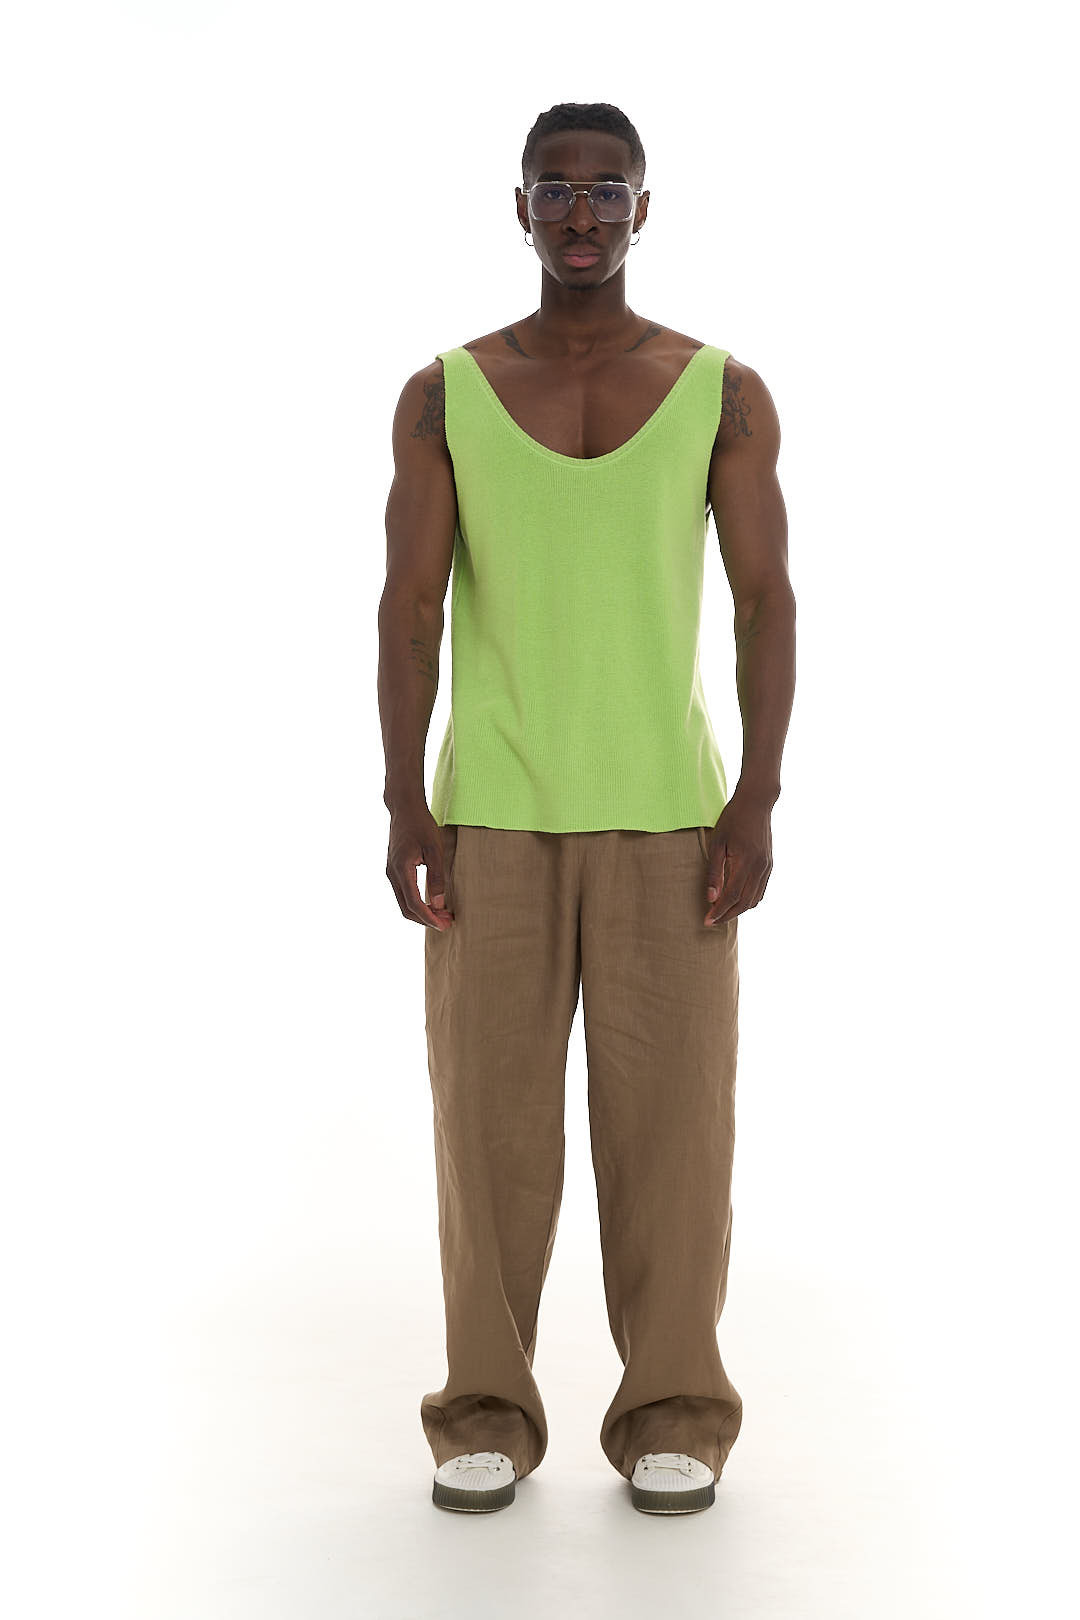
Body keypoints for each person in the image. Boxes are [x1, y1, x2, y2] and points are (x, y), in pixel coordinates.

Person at [378, 101, 795, 1516]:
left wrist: (755, 797)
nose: (579, 214)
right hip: (490, 814)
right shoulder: (443, 394)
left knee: (673, 1134)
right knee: (487, 1134)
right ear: (519, 208)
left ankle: (676, 1407)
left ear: (641, 209)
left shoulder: (720, 390)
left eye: (605, 190)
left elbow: (766, 601)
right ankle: (484, 1411)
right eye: (553, 190)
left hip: (669, 818)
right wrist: (403, 799)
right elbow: (410, 606)